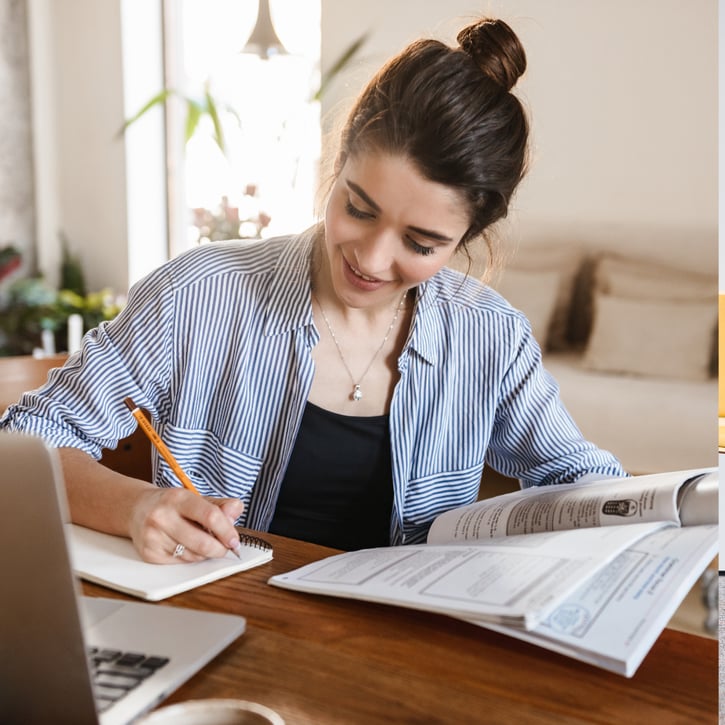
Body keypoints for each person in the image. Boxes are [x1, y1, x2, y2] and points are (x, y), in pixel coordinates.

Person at [0, 17, 625, 562]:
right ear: (337, 161)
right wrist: (138, 507)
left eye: (421, 244)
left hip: (402, 656)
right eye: (358, 208)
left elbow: (579, 477)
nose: (372, 258)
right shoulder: (197, 296)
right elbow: (20, 448)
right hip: (228, 625)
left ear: (467, 238)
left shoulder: (491, 336)